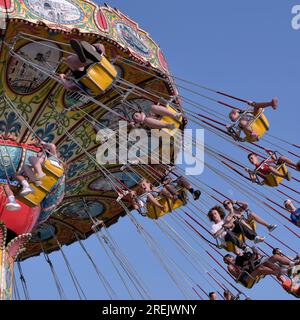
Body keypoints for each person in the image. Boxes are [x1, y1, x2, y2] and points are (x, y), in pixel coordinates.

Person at [224, 248, 299, 282]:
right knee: (261, 268)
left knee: (274, 257)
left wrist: (255, 253)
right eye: (227, 260)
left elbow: (253, 258)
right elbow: (239, 273)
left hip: (256, 265)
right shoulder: (232, 265)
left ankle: (292, 264)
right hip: (247, 275)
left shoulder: (244, 253)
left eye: (229, 258)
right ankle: (285, 272)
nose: (228, 261)